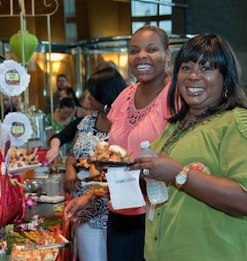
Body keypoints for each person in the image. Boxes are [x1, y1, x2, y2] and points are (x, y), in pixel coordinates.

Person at [130, 33, 247, 260]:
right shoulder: (174, 126)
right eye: (186, 68)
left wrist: (178, 173)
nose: (193, 76)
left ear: (225, 77)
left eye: (206, 68)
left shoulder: (235, 121)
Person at [106, 25, 172, 261]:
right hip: (119, 206)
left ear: (167, 55)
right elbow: (109, 144)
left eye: (151, 49)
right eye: (134, 51)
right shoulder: (125, 95)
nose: (141, 56)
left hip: (157, 209)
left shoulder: (176, 95)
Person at [63, 62, 128, 261]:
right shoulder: (87, 121)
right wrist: (70, 170)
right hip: (84, 210)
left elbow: (124, 169)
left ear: (107, 96)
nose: (89, 98)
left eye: (94, 94)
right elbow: (74, 153)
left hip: (114, 210)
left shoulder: (125, 125)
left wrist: (92, 192)